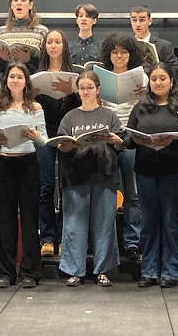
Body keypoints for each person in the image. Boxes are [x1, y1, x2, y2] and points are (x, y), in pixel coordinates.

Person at [126, 63, 178, 288]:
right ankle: (148, 270)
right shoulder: (140, 107)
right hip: (146, 171)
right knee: (149, 223)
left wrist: (172, 143)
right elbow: (128, 138)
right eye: (154, 78)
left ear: (171, 81)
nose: (158, 82)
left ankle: (171, 271)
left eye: (162, 78)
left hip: (174, 172)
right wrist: (135, 140)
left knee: (170, 222)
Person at [56, 70, 125, 287]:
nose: (85, 92)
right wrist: (68, 144)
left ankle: (102, 270)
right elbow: (61, 146)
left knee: (104, 224)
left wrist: (116, 141)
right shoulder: (70, 116)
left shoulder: (109, 116)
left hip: (104, 174)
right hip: (75, 175)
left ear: (98, 90)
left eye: (90, 88)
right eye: (82, 88)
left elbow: (121, 144)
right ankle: (75, 271)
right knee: (74, 224)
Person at [0, 62, 47, 288]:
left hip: (28, 164)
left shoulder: (35, 107)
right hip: (5, 165)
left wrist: (34, 136)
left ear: (26, 82)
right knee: (5, 219)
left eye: (19, 77)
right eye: (11, 76)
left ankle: (31, 272)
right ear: (6, 81)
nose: (15, 80)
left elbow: (44, 141)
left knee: (30, 219)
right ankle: (6, 272)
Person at [98, 32, 147, 260]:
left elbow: (148, 106)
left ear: (131, 54)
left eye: (124, 52)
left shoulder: (141, 76)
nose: (119, 56)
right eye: (115, 52)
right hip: (107, 136)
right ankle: (104, 242)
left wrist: (145, 95)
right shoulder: (101, 76)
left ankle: (132, 242)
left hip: (130, 135)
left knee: (132, 193)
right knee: (105, 193)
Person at [33, 29, 79, 258]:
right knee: (46, 187)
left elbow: (81, 106)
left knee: (67, 187)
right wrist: (31, 94)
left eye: (57, 42)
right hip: (44, 133)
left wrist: (71, 92)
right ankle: (48, 238)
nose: (53, 45)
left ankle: (65, 236)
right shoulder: (37, 75)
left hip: (68, 133)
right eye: (49, 42)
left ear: (64, 46)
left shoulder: (74, 74)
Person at [0, 0, 48, 74]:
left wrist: (29, 59)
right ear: (11, 5)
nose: (19, 3)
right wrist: (2, 60)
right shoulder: (1, 32)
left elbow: (48, 65)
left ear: (30, 5)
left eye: (23, 0)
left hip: (34, 81)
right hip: (8, 81)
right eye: (15, 0)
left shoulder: (42, 31)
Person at [129, 5, 178, 81]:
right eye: (134, 20)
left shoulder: (164, 46)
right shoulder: (126, 45)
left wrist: (161, 70)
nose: (137, 24)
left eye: (142, 20)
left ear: (150, 21)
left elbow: (177, 72)